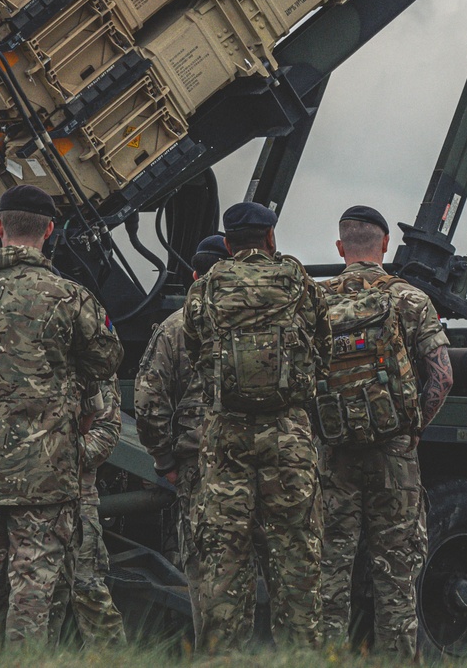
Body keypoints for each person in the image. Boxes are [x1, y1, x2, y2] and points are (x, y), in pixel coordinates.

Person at [0, 184, 123, 645]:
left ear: (0, 227)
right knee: (33, 591)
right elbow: (107, 360)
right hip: (46, 475)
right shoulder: (70, 298)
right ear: (50, 231)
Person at [183, 202, 330, 651]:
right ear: (270, 238)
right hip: (288, 439)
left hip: (226, 441)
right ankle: (302, 656)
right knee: (296, 557)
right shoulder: (300, 284)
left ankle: (220, 656)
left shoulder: (205, 290)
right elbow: (323, 350)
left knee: (224, 560)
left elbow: (195, 353)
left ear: (227, 244)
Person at [317, 205, 452, 657]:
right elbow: (442, 377)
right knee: (395, 575)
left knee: (330, 572)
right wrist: (411, 429)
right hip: (394, 456)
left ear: (340, 247)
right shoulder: (410, 299)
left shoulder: (318, 300)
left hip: (334, 455)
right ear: (385, 246)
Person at [135, 233, 230, 641]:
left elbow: (148, 402)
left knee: (203, 566)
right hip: (261, 460)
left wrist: (164, 462)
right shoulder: (261, 317)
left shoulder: (175, 327)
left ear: (193, 274)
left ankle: (207, 648)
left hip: (197, 465)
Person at [50, 375, 126, 646]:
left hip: (76, 499)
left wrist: (52, 454)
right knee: (37, 601)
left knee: (90, 594)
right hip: (19, 501)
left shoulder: (90, 355)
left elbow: (106, 432)